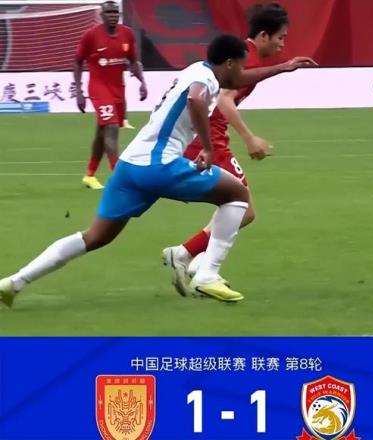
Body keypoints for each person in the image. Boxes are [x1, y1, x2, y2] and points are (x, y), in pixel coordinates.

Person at [0, 34, 316, 307]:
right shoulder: (205, 80)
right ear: (230, 63)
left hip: (130, 166)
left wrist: (282, 67)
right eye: (241, 66)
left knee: (94, 236)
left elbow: (233, 82)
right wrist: (207, 148)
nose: (243, 72)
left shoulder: (200, 70)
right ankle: (206, 274)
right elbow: (196, 99)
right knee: (238, 196)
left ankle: (14, 282)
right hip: (159, 164)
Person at [162, 2, 289, 295]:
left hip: (209, 136)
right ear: (264, 35)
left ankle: (187, 257)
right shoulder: (247, 60)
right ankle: (198, 267)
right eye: (281, 37)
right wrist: (250, 138)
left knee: (234, 205)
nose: (282, 44)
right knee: (244, 208)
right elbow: (224, 100)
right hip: (209, 140)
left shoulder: (243, 55)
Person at [74, 0, 147, 190]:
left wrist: (142, 82)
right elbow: (78, 61)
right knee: (112, 127)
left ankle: (90, 175)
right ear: (101, 15)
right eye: (109, 12)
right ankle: (118, 176)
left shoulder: (127, 34)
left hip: (118, 89)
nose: (113, 15)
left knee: (102, 131)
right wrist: (79, 91)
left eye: (115, 12)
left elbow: (133, 61)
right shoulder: (91, 36)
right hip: (98, 88)